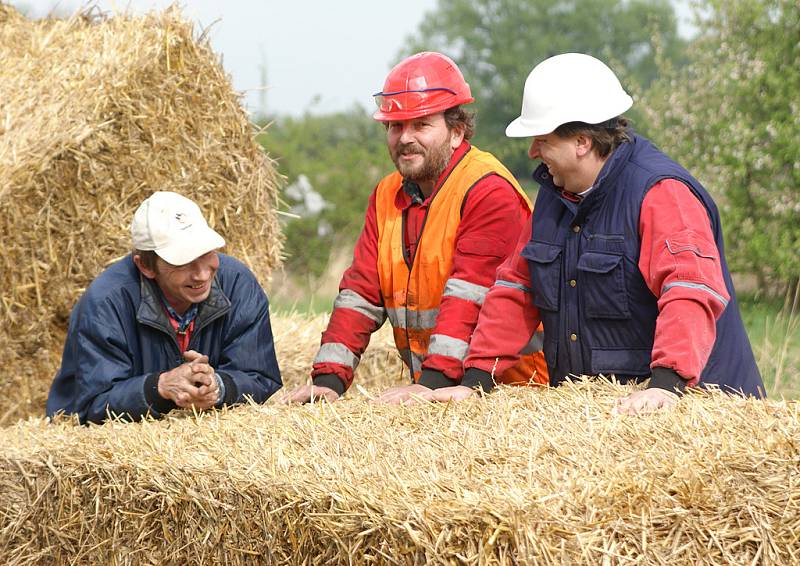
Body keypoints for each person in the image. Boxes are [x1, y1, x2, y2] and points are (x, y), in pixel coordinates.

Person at [417, 53, 764, 412]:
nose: (533, 151)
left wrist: (666, 385)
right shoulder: (554, 196)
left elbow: (689, 290)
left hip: (691, 407)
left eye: (542, 139)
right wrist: (477, 380)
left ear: (581, 141)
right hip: (599, 418)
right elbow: (515, 290)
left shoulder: (661, 193)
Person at [283, 51, 548, 404]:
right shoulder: (385, 194)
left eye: (421, 124)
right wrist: (328, 381)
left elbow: (469, 297)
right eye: (395, 126)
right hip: (437, 388)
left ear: (457, 132)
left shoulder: (488, 190)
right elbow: (360, 294)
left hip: (513, 393)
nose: (405, 137)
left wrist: (432, 384)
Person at [46, 191, 282, 424]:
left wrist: (218, 387)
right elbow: (91, 405)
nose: (201, 274)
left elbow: (261, 377)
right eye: (183, 262)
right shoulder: (105, 302)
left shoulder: (238, 283)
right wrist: (159, 387)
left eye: (206, 252)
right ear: (146, 266)